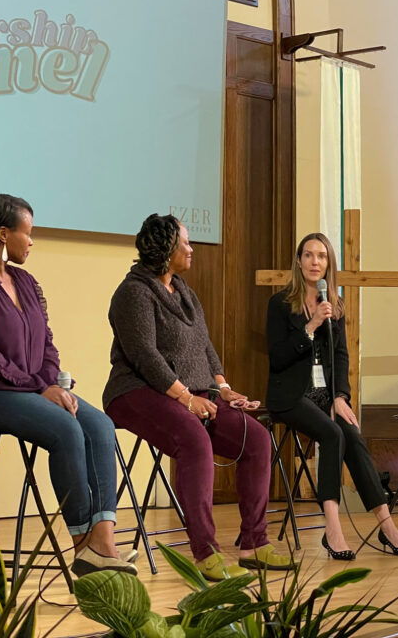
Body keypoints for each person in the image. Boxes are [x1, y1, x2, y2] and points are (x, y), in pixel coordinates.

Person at [0, 194, 134, 576]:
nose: (32, 241)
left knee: (99, 425)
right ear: (2, 234)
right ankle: (82, 544)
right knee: (64, 428)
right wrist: (38, 387)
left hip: (29, 390)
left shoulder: (25, 282)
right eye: (27, 233)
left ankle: (103, 542)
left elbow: (46, 344)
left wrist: (49, 382)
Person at [103, 214, 293, 580]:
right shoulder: (133, 293)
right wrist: (187, 399)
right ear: (165, 249)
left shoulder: (183, 290)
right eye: (185, 243)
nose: (192, 249)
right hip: (135, 392)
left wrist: (222, 388)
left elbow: (203, 345)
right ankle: (205, 553)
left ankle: (254, 542)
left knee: (255, 438)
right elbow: (145, 356)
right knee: (193, 438)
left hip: (191, 392)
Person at [266, 232, 398, 560]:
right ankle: (332, 528)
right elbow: (277, 358)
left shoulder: (335, 305)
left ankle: (386, 524)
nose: (314, 262)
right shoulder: (279, 304)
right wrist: (310, 327)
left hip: (323, 397)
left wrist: (340, 396)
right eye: (308, 255)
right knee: (332, 434)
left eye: (321, 256)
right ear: (299, 261)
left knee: (351, 433)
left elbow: (341, 356)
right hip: (289, 396)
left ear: (328, 263)